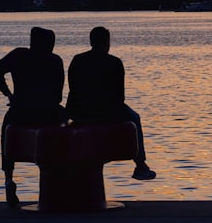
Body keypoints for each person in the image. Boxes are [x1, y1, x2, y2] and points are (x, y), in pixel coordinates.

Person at [0, 26, 66, 206]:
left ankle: (8, 177)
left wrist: (9, 94)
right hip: (49, 113)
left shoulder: (18, 55)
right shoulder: (55, 60)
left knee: (6, 131)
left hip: (20, 112)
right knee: (68, 120)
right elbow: (59, 95)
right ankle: (62, 169)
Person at [66, 26, 156, 180]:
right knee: (135, 118)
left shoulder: (77, 60)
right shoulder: (114, 62)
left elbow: (72, 89)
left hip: (79, 112)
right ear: (106, 42)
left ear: (91, 41)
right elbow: (120, 97)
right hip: (106, 112)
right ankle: (140, 164)